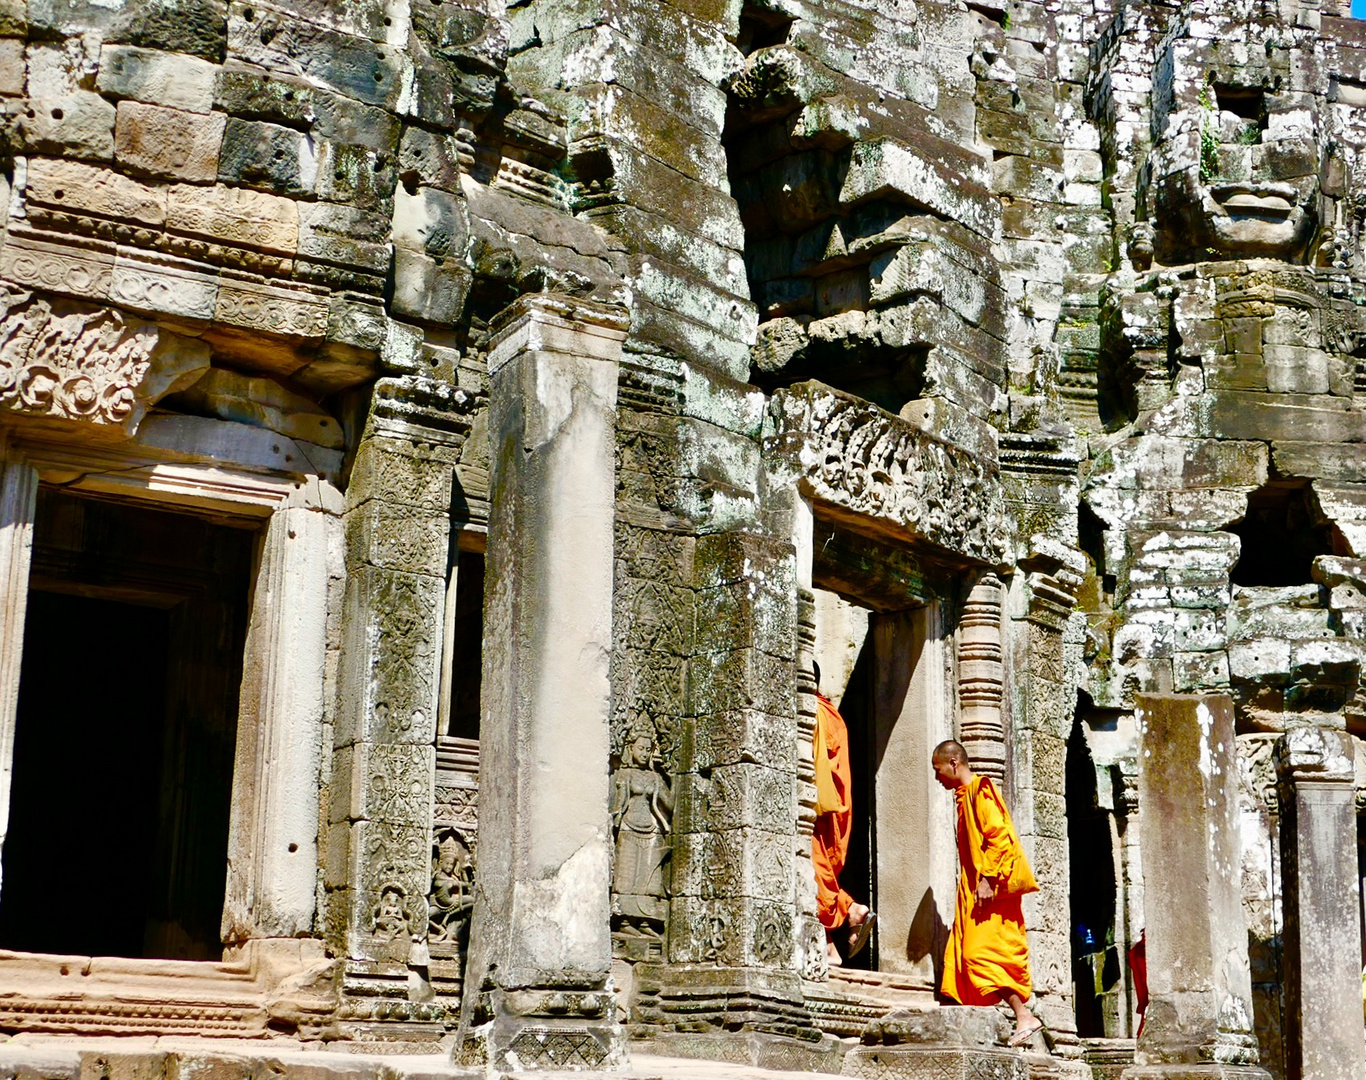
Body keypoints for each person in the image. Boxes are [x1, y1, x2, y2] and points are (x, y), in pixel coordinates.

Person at [932, 739, 1042, 1047]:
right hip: (976, 892)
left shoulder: (980, 792)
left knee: (979, 956)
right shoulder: (965, 797)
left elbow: (1000, 838)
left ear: (953, 763)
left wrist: (986, 879)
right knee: (964, 961)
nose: (937, 777)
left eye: (937, 768)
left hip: (989, 892)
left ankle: (1024, 1016)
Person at [812, 661, 875, 967]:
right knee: (819, 870)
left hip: (819, 806)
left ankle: (828, 945)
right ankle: (851, 913)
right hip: (836, 807)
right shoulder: (833, 714)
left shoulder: (815, 712)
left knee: (815, 871)